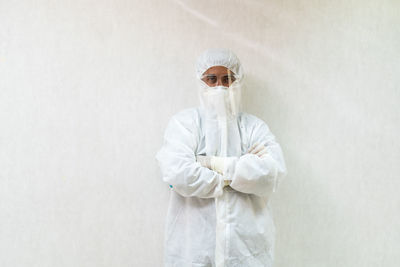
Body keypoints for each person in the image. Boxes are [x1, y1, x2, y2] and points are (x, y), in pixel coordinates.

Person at [156, 48, 287, 267]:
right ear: (201, 81)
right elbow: (177, 173)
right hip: (193, 249)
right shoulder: (185, 124)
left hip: (246, 250)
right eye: (212, 78)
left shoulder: (253, 127)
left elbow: (272, 173)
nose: (220, 86)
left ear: (237, 81)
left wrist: (210, 163)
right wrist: (241, 172)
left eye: (227, 79)